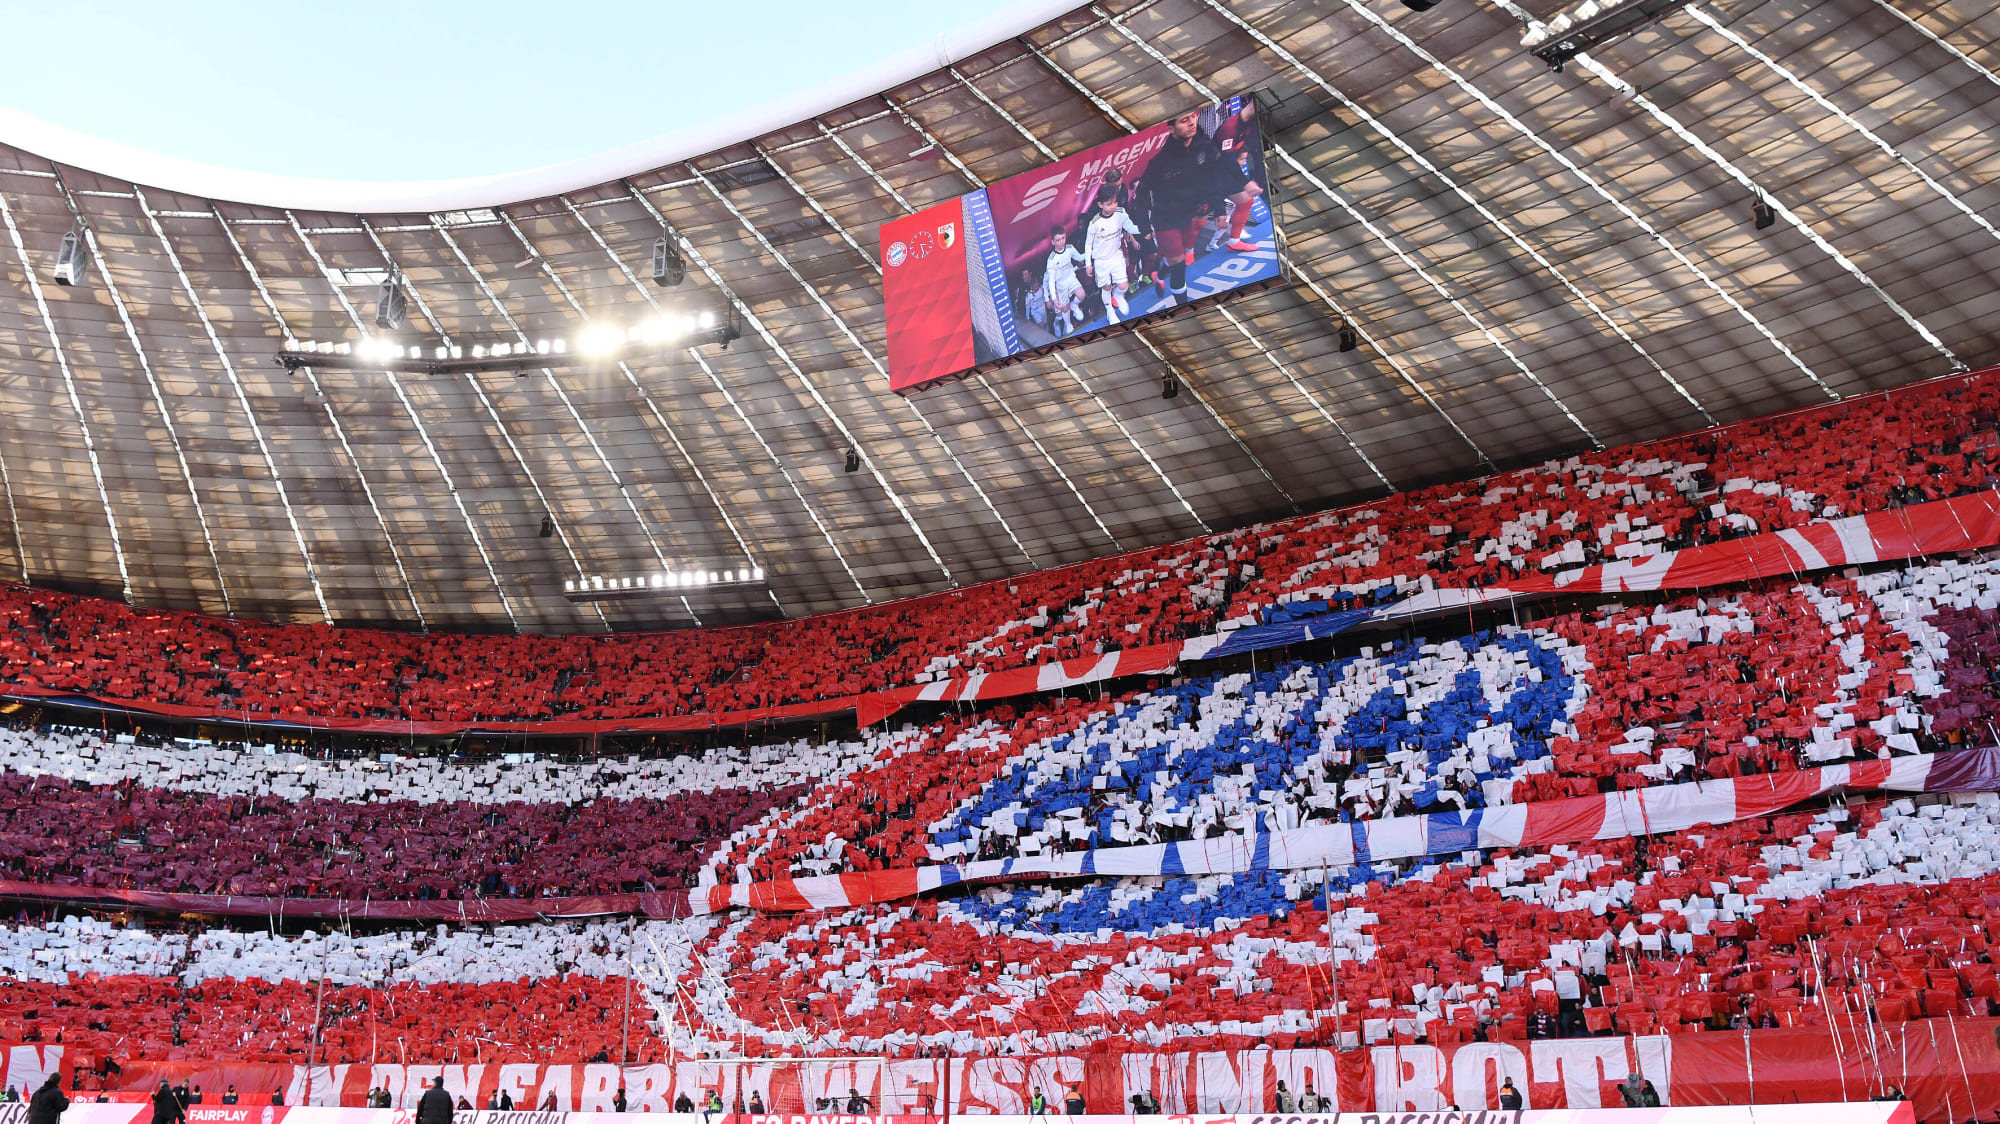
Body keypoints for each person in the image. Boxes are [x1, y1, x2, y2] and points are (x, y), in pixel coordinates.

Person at [1082, 184, 1141, 319]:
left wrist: (1145, 229)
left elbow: (1131, 228)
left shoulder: (1121, 213)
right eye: (1109, 204)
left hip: (1116, 256)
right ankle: (1110, 311)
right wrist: (1088, 264)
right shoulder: (1094, 223)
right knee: (1106, 287)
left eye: (1115, 202)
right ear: (1100, 204)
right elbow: (1088, 244)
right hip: (1101, 261)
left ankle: (1119, 295)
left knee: (1123, 285)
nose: (1113, 206)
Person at [1041, 229, 1088, 336]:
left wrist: (1091, 252)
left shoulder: (1070, 248)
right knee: (1064, 309)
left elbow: (1080, 257)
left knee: (1082, 294)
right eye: (1058, 240)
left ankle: (1074, 305)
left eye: (1063, 238)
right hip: (1060, 285)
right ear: (1053, 242)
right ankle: (1068, 324)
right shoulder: (1051, 260)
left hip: (1071, 278)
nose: (1061, 242)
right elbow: (1051, 281)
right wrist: (1053, 298)